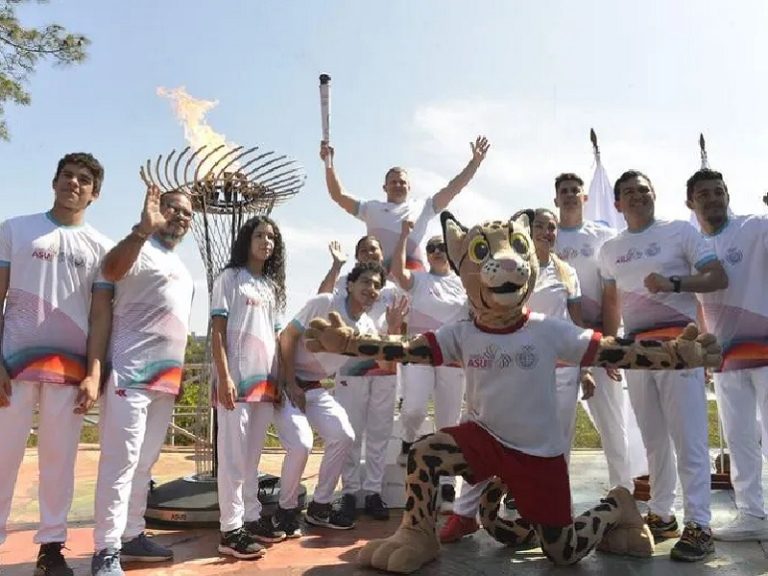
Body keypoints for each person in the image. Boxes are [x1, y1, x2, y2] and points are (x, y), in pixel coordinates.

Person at [441, 208, 594, 543]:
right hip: (501, 365)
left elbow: (576, 324)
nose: (547, 233)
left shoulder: (567, 272)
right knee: (480, 436)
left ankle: (552, 518)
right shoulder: (499, 261)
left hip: (560, 371)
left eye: (552, 228)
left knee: (555, 445)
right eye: (540, 226)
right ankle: (465, 514)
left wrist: (585, 370)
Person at [599, 169, 728, 562]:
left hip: (679, 349)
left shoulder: (680, 232)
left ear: (654, 194)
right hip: (638, 354)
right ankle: (662, 515)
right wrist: (611, 350)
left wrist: (674, 284)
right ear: (618, 204)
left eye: (644, 189)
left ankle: (700, 525)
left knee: (688, 440)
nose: (637, 196)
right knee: (654, 441)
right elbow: (611, 305)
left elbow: (717, 277)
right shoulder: (609, 249)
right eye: (628, 193)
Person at [0, 153, 113, 576]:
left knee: (59, 461)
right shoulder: (15, 229)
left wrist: (95, 373)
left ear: (95, 193)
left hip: (69, 372)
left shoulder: (101, 247)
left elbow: (101, 315)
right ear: (54, 181)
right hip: (12, 367)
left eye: (84, 180)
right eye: (67, 175)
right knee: (2, 457)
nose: (74, 183)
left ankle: (50, 547)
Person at [91, 183, 194, 576]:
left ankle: (133, 534)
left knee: (145, 463)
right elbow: (110, 270)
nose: (179, 216)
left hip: (165, 382)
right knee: (121, 462)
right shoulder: (136, 248)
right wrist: (141, 230)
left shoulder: (184, 270)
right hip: (130, 375)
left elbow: (179, 326)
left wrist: (180, 374)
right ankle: (106, 549)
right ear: (156, 208)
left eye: (186, 212)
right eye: (172, 208)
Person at [277, 261, 401, 530]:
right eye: (366, 282)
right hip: (281, 381)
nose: (371, 288)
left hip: (313, 387)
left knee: (343, 435)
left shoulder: (367, 327)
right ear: (350, 284)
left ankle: (320, 507)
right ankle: (285, 511)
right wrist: (290, 384)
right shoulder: (324, 302)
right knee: (301, 444)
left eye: (377, 285)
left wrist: (392, 331)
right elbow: (286, 337)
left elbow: (387, 367)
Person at [687, 168, 768, 541]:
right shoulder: (692, 246)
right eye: (704, 194)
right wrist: (705, 345)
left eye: (719, 192)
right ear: (691, 202)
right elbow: (700, 302)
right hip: (726, 357)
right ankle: (753, 514)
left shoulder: (755, 227)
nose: (713, 199)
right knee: (738, 438)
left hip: (766, 350)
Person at [211, 216, 289, 559]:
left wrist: (280, 379)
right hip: (236, 384)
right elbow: (216, 331)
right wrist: (224, 376)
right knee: (231, 457)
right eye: (259, 235)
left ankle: (252, 518)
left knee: (252, 459)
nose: (266, 242)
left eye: (271, 237)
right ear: (247, 240)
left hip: (264, 384)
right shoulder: (230, 278)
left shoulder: (270, 287)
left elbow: (276, 338)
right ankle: (230, 529)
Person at [317, 237, 406, 522]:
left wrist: (393, 329)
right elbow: (320, 300)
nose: (370, 253)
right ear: (357, 257)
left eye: (375, 249)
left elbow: (398, 330)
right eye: (365, 250)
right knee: (351, 432)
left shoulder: (392, 291)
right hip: (352, 369)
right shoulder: (347, 286)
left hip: (385, 368)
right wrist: (335, 265)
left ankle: (373, 492)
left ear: (382, 254)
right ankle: (351, 492)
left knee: (380, 433)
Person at [553, 173, 632, 490]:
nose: (570, 195)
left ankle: (622, 493)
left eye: (576, 190)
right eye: (564, 191)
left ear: (584, 198)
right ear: (555, 200)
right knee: (557, 427)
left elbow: (614, 293)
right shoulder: (545, 235)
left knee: (612, 422)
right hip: (557, 344)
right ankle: (555, 496)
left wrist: (610, 346)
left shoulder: (603, 235)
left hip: (599, 340)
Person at [319, 136, 490, 269]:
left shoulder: (424, 207)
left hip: (412, 279)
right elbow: (338, 195)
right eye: (393, 182)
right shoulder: (370, 208)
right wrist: (329, 164)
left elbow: (453, 188)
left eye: (402, 182)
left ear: (409, 187)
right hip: (379, 280)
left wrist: (474, 162)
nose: (398, 185)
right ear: (384, 187)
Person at [391, 222, 468, 513]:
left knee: (448, 425)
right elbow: (397, 272)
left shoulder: (462, 284)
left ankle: (448, 487)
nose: (437, 251)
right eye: (431, 248)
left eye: (442, 247)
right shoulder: (419, 280)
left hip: (452, 358)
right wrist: (402, 236)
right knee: (414, 409)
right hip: (420, 353)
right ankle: (408, 441)